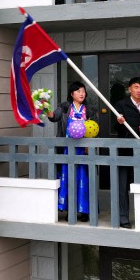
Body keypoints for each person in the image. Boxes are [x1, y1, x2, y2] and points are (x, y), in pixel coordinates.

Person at [47, 82, 97, 222]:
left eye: (83, 91)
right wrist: (47, 110)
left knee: (84, 179)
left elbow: (94, 128)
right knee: (68, 178)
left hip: (84, 150)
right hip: (67, 149)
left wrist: (89, 145)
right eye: (78, 91)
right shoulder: (65, 107)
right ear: (71, 93)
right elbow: (54, 116)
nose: (82, 93)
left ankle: (85, 210)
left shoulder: (89, 109)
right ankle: (70, 209)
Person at [114, 76, 140, 228]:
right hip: (125, 149)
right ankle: (123, 218)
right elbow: (115, 127)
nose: (139, 90)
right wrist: (119, 122)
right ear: (130, 89)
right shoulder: (121, 105)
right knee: (122, 185)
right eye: (136, 87)